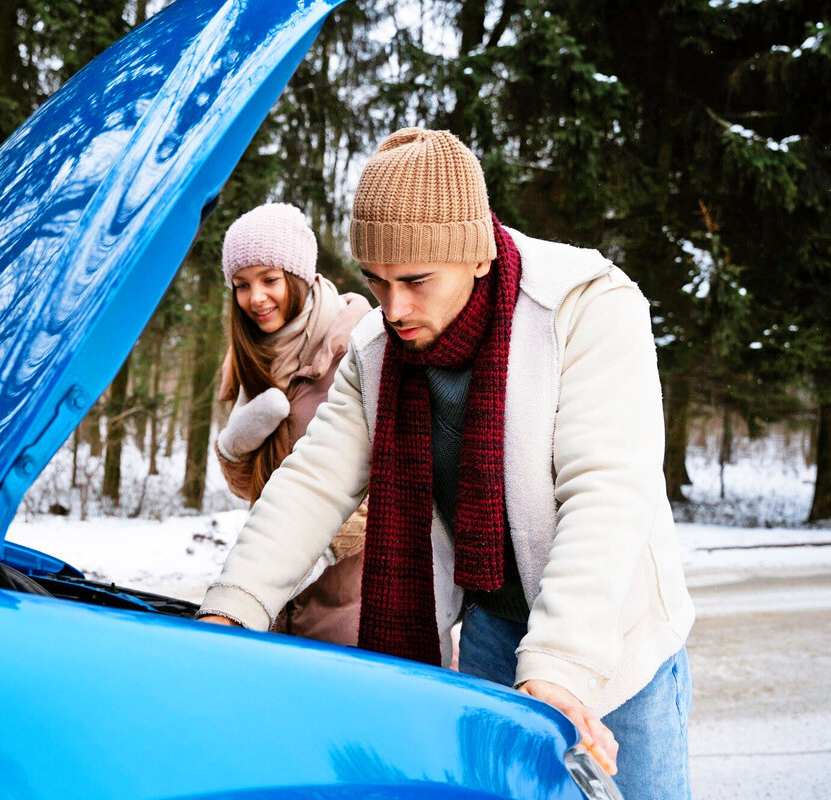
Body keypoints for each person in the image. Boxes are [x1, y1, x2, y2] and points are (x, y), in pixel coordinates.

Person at [198, 130, 694, 799]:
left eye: (415, 281)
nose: (393, 308)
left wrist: (559, 667)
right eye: (376, 281)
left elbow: (605, 494)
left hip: (613, 636)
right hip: (493, 630)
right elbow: (310, 487)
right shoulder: (376, 350)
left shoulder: (588, 308)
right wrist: (231, 611)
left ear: (475, 256)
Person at [214, 202, 371, 647]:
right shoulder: (249, 359)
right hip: (273, 599)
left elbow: (380, 484)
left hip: (344, 601)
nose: (255, 298)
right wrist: (233, 450)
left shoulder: (353, 351)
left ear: (298, 277)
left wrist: (307, 552)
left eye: (269, 280)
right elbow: (250, 490)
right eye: (242, 285)